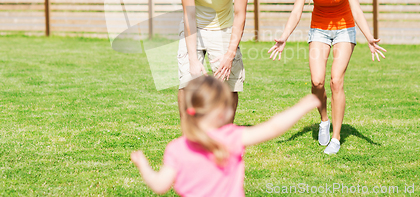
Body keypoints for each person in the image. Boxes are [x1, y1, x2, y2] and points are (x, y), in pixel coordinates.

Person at [268, 0, 386, 155]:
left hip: (344, 30)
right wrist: (284, 37)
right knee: (317, 81)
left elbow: (357, 9)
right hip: (319, 30)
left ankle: (336, 137)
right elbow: (296, 11)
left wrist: (369, 37)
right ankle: (324, 120)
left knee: (336, 80)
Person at [131, 75, 320, 197]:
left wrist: (143, 165)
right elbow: (272, 128)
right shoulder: (231, 138)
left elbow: (159, 185)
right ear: (222, 112)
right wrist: (301, 108)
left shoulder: (176, 148)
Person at [177, 0, 248, 123]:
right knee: (186, 83)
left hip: (224, 27)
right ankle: (188, 137)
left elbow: (240, 14)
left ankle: (226, 136)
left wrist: (230, 55)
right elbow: (189, 15)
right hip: (195, 27)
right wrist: (193, 59)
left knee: (230, 86)